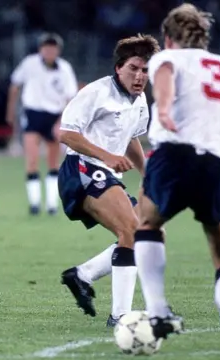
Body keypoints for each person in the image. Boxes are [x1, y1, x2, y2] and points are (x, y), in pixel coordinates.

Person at [135, 5, 220, 358]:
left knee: (147, 222)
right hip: (219, 163)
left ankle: (157, 309)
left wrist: (164, 107)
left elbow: (165, 70)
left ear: (168, 37)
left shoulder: (168, 58)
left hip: (175, 153)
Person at [57, 34, 160, 327]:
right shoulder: (96, 92)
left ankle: (82, 275)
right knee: (132, 227)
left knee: (145, 235)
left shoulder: (140, 100)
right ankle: (121, 317)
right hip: (81, 170)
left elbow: (131, 139)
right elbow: (67, 134)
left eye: (145, 70)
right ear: (119, 68)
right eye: (134, 69)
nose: (140, 76)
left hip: (106, 175)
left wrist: (147, 173)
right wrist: (106, 156)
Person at [6, 32, 79, 215]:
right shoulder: (30, 64)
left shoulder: (64, 69)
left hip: (55, 115)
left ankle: (52, 204)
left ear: (58, 50)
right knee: (31, 159)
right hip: (33, 114)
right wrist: (11, 110)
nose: (49, 51)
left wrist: (61, 121)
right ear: (40, 49)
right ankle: (35, 203)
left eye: (53, 48)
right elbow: (15, 85)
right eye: (46, 47)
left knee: (53, 162)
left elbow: (71, 97)